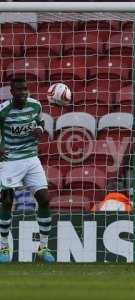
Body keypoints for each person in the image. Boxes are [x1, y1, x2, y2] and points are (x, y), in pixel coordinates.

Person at [0, 78, 54, 263]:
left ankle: (43, 247)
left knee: (45, 200)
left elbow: (40, 122)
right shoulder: (3, 111)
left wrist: (39, 129)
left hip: (31, 158)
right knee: (7, 201)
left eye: (25, 89)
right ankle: (3, 247)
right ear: (12, 92)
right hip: (9, 160)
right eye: (19, 90)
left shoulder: (35, 105)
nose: (23, 93)